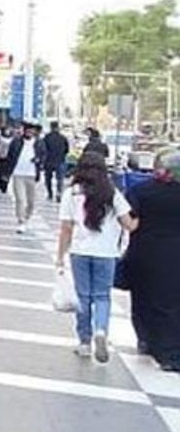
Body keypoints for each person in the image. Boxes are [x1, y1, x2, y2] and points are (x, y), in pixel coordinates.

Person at [56, 152, 136, 363]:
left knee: (82, 297)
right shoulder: (112, 193)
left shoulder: (71, 193)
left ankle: (84, 342)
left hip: (80, 252)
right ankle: (101, 329)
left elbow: (66, 228)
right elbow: (129, 224)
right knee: (102, 296)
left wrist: (60, 256)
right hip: (106, 253)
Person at [123, 150, 180, 371]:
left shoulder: (141, 190)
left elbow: (128, 219)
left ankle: (145, 339)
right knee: (170, 304)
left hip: (142, 253)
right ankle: (170, 353)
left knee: (141, 298)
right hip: (174, 256)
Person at [8, 122, 44, 233]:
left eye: (31, 131)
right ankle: (21, 221)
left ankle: (26, 217)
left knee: (31, 202)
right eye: (27, 130)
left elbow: (44, 156)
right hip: (18, 174)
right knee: (20, 199)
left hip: (32, 175)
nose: (29, 133)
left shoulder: (39, 143)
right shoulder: (16, 142)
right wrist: (6, 172)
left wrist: (38, 160)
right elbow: (10, 156)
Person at [41, 121, 70, 201]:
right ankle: (58, 193)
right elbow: (67, 150)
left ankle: (50, 194)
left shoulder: (46, 137)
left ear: (51, 127)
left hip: (49, 161)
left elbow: (43, 149)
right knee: (60, 179)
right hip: (60, 160)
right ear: (58, 128)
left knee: (48, 178)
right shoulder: (63, 138)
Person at [0, 124, 15, 195]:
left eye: (8, 130)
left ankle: (4, 185)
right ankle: (0, 183)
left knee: (6, 173)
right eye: (6, 130)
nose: (7, 131)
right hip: (0, 158)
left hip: (8, 159)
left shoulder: (13, 139)